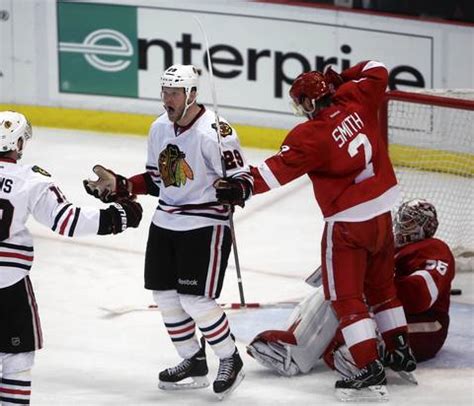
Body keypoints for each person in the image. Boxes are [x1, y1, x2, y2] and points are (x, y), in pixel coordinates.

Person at [214, 60, 415, 402]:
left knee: (347, 299)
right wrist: (342, 76)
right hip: (383, 215)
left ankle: (368, 367)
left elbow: (276, 170)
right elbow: (378, 69)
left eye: (301, 103)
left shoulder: (312, 134)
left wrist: (241, 186)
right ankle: (399, 351)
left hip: (349, 225)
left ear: (309, 102)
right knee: (383, 289)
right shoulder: (356, 97)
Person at [83, 64, 252, 400]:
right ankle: (193, 360)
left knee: (195, 299)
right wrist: (123, 186)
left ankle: (230, 358)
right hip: (165, 222)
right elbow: (157, 181)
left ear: (191, 94)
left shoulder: (215, 132)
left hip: (205, 224)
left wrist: (235, 191)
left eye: (173, 92)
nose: (166, 99)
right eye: (164, 92)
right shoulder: (159, 128)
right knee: (164, 296)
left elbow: (243, 180)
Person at [0, 111, 143, 406]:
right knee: (16, 357)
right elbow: (67, 221)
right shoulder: (30, 180)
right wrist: (120, 215)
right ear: (19, 145)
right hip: (9, 285)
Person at [247, 199, 455, 379]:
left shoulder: (434, 249)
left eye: (409, 222)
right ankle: (292, 347)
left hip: (425, 328)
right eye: (401, 219)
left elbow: (421, 296)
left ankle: (366, 355)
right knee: (334, 291)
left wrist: (373, 282)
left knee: (348, 343)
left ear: (425, 227)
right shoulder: (390, 248)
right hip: (392, 317)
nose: (401, 226)